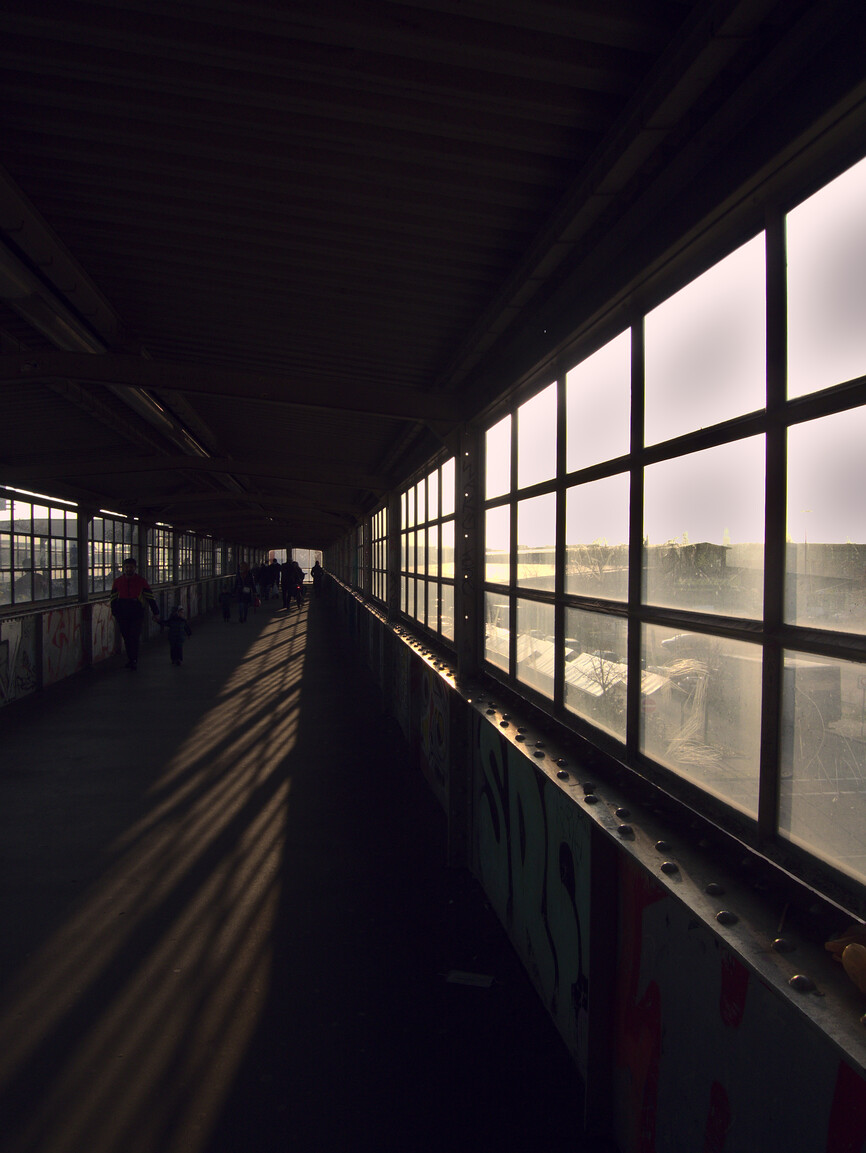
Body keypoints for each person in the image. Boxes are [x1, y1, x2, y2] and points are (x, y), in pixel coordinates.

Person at [110, 557, 160, 670]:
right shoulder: (117, 582)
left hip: (136, 612)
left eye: (131, 567)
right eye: (127, 567)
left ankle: (133, 659)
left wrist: (156, 612)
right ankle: (131, 659)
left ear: (135, 568)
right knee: (127, 637)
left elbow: (150, 597)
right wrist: (115, 611)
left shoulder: (141, 581)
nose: (128, 569)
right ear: (124, 568)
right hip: (123, 613)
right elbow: (113, 598)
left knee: (134, 636)